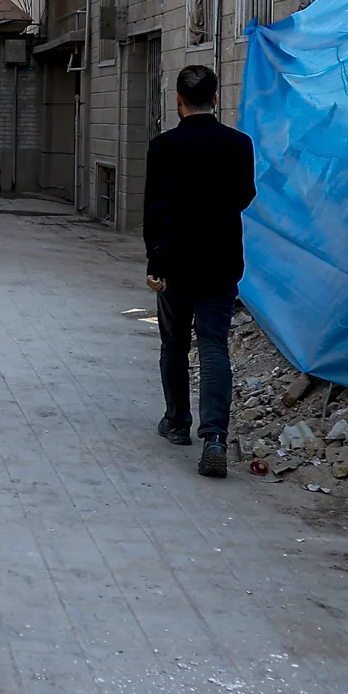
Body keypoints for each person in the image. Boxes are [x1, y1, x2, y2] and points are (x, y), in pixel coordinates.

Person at [143, 64, 256, 479]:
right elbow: (245, 196)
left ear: (178, 101)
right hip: (221, 263)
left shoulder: (163, 146)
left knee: (174, 344)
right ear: (216, 99)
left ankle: (177, 423)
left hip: (175, 264)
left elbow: (154, 209)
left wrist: (155, 263)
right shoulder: (239, 144)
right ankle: (215, 439)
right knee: (213, 346)